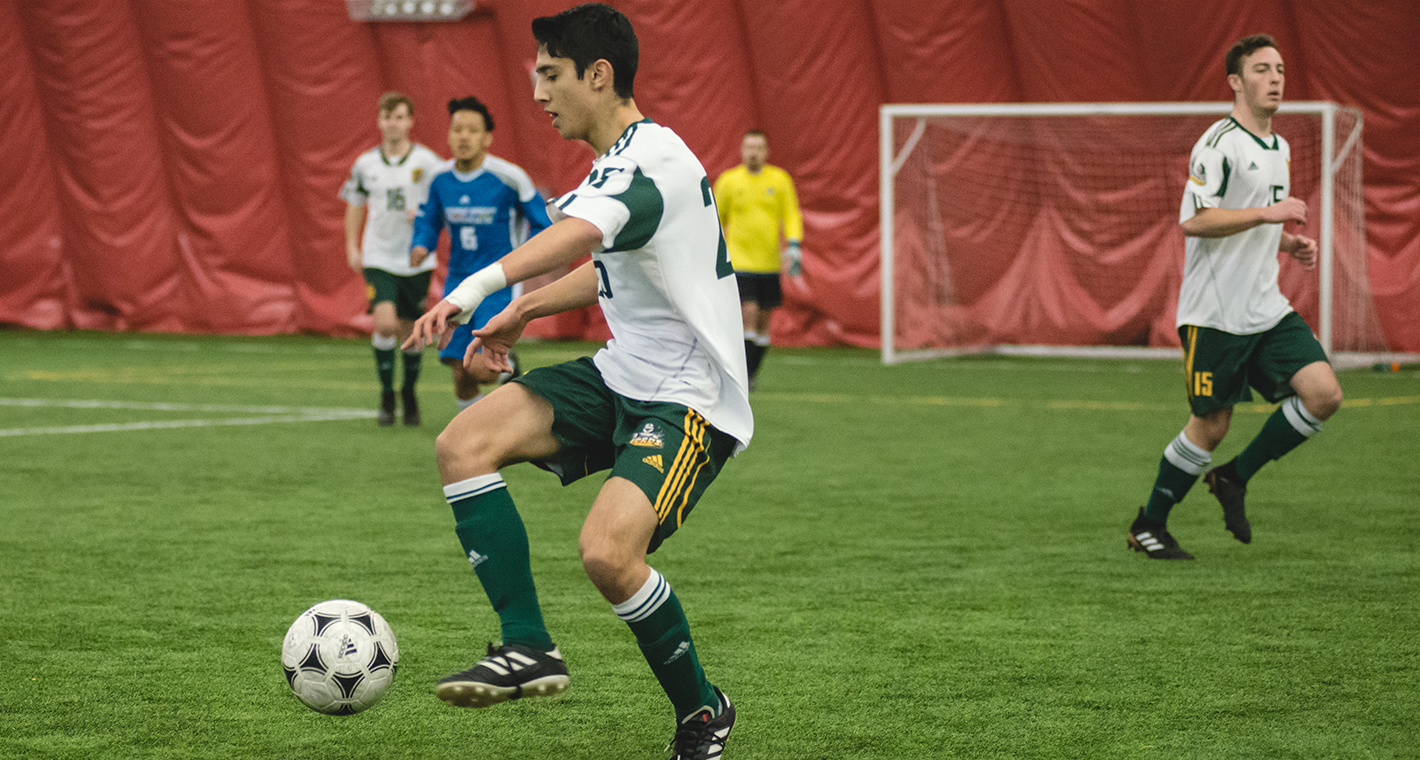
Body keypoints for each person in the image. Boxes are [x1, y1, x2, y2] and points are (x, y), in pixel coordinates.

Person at [403, 5, 750, 758]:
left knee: (608, 555)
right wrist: (524, 308)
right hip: (620, 372)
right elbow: (611, 265)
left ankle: (703, 711)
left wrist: (473, 291)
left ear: (600, 75)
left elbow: (582, 236)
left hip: (688, 396)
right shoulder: (620, 161)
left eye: (551, 74)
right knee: (463, 443)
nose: (537, 93)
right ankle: (527, 646)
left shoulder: (650, 157)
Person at [1127, 34, 1344, 560]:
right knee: (1212, 424)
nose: (1275, 79)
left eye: (1280, 69)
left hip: (1266, 307)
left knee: (1324, 394)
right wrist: (1269, 216)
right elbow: (1195, 221)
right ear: (1235, 82)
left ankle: (1234, 478)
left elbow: (1252, 219)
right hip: (1216, 314)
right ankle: (1149, 524)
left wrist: (1286, 242)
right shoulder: (1218, 144)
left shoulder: (1280, 146)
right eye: (1262, 69)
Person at [411, 97, 553, 411]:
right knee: (458, 367)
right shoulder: (439, 179)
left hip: (500, 281)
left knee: (481, 367)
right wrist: (421, 244)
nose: (463, 136)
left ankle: (509, 367)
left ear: (487, 138)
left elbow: (542, 223)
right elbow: (428, 219)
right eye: (457, 129)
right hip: (459, 280)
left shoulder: (508, 178)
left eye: (472, 130)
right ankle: (472, 431)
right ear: (448, 135)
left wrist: (528, 260)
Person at [341, 92, 445, 426]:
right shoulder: (365, 164)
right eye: (387, 117)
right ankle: (387, 394)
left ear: (411, 121)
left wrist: (426, 216)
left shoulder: (427, 162)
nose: (393, 123)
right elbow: (354, 205)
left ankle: (409, 393)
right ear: (379, 121)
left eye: (400, 117)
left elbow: (443, 202)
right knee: (385, 323)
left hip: (415, 258)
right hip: (379, 255)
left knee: (409, 330)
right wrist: (352, 247)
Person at [713, 129, 804, 390]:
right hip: (740, 264)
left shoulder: (779, 180)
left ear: (767, 151)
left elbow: (791, 214)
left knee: (764, 323)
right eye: (749, 147)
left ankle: (750, 373)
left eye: (759, 148)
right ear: (742, 150)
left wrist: (794, 245)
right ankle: (742, 374)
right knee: (749, 314)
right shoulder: (729, 181)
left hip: (769, 264)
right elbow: (716, 219)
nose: (753, 153)